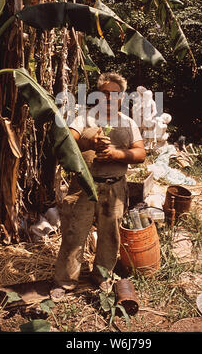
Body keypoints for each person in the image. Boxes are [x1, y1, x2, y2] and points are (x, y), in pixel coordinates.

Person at [51, 72, 146, 300]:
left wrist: (116, 154)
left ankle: (102, 276)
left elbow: (141, 153)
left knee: (110, 237)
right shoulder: (85, 118)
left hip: (114, 188)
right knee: (74, 235)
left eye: (115, 94)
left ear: (122, 97)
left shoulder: (128, 123)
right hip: (84, 186)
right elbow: (67, 139)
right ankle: (65, 282)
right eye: (104, 93)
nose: (109, 98)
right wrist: (89, 141)